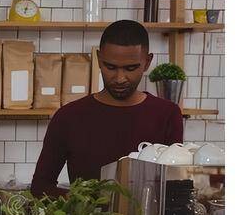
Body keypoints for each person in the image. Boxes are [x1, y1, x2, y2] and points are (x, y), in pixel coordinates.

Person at [31, 20, 183, 197]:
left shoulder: (167, 114)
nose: (120, 78)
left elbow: (174, 187)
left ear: (147, 62)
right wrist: (80, 203)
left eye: (131, 68)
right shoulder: (68, 117)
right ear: (99, 59)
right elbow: (40, 186)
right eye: (110, 67)